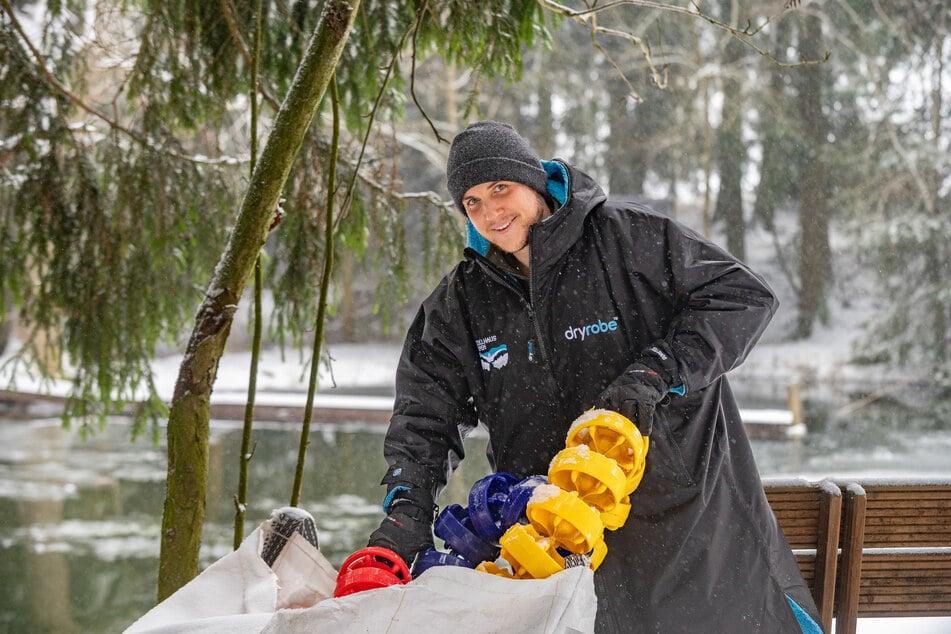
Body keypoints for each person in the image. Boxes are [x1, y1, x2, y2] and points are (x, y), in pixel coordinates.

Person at [367, 120, 822, 633]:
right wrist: (408, 509)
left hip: (685, 532)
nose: (490, 211)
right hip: (556, 547)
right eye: (471, 201)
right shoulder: (462, 301)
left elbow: (742, 297)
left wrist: (657, 370)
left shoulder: (627, 239)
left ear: (533, 180)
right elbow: (425, 417)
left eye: (500, 188)